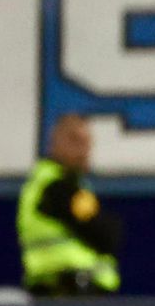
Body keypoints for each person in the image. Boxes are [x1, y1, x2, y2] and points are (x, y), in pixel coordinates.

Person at [16, 114, 120, 295]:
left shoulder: (65, 185)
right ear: (54, 143)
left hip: (66, 290)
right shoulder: (57, 188)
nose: (83, 150)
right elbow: (105, 236)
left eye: (87, 142)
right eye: (74, 140)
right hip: (65, 292)